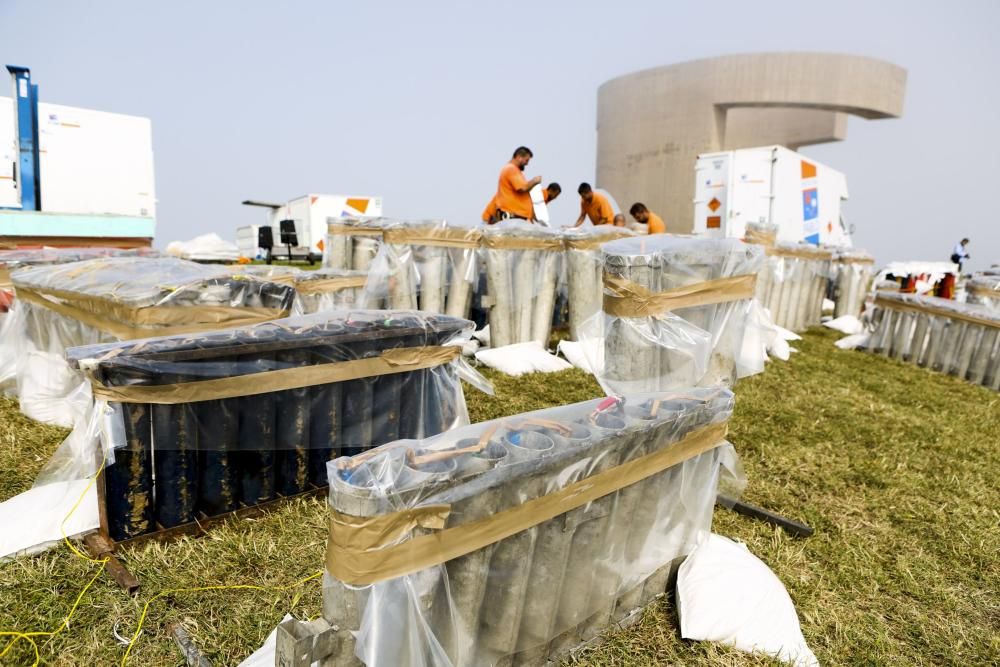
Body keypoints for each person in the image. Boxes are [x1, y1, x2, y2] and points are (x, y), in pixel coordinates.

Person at [487, 146, 541, 223]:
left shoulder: (511, 169)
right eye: (526, 160)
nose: (527, 163)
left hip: (515, 217)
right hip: (513, 217)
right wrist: (535, 181)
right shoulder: (511, 169)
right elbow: (523, 188)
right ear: (519, 157)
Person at [481, 181, 560, 224]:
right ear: (551, 190)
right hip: (493, 218)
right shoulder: (542, 195)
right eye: (555, 195)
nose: (555, 198)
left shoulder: (543, 196)